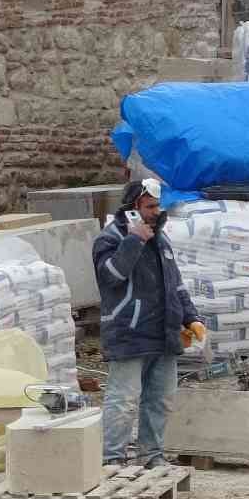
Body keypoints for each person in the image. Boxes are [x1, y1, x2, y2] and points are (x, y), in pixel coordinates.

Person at [91, 178, 205, 468]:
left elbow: (175, 285)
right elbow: (111, 276)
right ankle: (111, 460)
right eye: (150, 206)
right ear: (132, 209)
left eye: (158, 206)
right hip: (129, 333)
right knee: (124, 400)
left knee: (160, 400)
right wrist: (135, 240)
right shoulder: (110, 239)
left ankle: (151, 457)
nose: (156, 211)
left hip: (163, 334)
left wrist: (191, 318)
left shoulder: (160, 240)